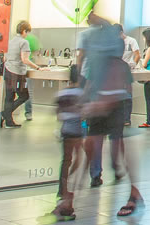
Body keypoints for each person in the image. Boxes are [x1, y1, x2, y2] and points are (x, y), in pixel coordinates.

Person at [82, 53, 141, 217]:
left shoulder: (96, 62)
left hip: (98, 105)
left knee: (97, 141)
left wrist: (86, 102)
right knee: (115, 140)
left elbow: (89, 83)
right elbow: (128, 87)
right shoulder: (122, 65)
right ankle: (116, 168)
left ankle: (96, 174)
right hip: (116, 106)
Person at [51, 86, 85, 222]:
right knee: (77, 160)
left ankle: (63, 190)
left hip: (66, 130)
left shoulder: (63, 92)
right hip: (76, 131)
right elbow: (85, 113)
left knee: (66, 160)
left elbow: (58, 113)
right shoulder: (82, 93)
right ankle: (66, 197)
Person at [0, 21, 39, 129]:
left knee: (9, 97)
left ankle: (8, 121)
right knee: (24, 96)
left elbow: (4, 58)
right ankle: (5, 114)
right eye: (27, 32)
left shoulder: (10, 42)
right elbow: (25, 59)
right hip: (17, 72)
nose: (27, 34)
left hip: (8, 70)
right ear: (24, 31)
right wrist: (38, 68)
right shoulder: (24, 42)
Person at [22, 25, 41, 121]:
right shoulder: (33, 39)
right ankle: (28, 113)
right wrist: (37, 67)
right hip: (29, 66)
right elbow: (35, 54)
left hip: (18, 67)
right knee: (29, 90)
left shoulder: (17, 39)